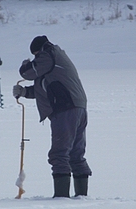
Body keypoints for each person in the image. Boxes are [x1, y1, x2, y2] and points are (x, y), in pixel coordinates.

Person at [13, 35, 91, 198]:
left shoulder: (48, 54)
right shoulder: (57, 58)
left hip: (65, 109)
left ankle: (61, 198)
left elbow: (29, 73)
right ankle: (82, 196)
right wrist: (24, 92)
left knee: (59, 153)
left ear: (38, 51)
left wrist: (25, 65)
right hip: (78, 107)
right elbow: (46, 88)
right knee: (76, 154)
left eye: (35, 55)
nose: (36, 58)